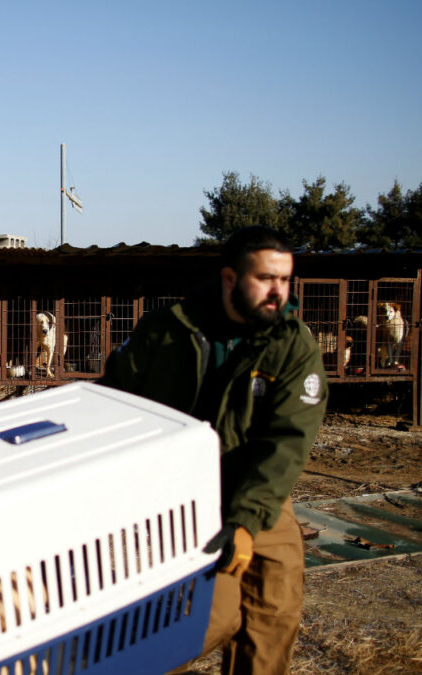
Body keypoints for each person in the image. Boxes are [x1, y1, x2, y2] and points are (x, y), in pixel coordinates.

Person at [99, 226, 327, 675]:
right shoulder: (167, 332)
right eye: (265, 278)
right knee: (201, 619)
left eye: (285, 280)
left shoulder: (293, 344)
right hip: (180, 501)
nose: (278, 292)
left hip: (260, 492)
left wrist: (245, 520)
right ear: (229, 279)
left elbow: (287, 444)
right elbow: (112, 405)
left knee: (273, 617)